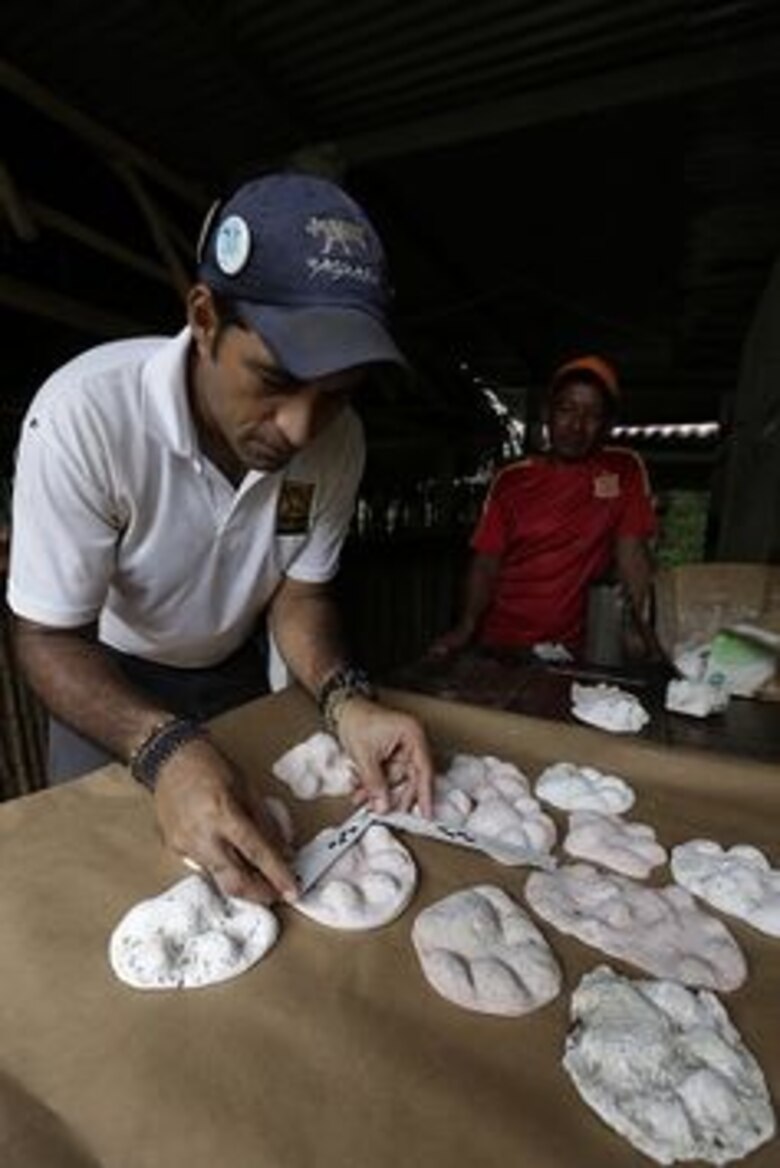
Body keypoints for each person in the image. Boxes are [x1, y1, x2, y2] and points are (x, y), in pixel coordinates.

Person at [7, 171, 434, 905]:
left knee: (258, 882)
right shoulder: (87, 416)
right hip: (104, 681)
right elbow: (47, 637)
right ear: (204, 318)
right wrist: (164, 747)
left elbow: (301, 594)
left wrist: (345, 699)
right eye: (273, 377)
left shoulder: (340, 443)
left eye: (334, 394)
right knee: (101, 896)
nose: (301, 428)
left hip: (230, 676)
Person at [430, 354, 658, 658]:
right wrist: (466, 627)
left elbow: (633, 560)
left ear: (607, 425)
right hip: (503, 642)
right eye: (566, 409)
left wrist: (652, 637)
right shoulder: (512, 480)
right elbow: (486, 563)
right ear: (547, 413)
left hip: (575, 651)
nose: (576, 425)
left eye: (592, 415)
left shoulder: (624, 469)